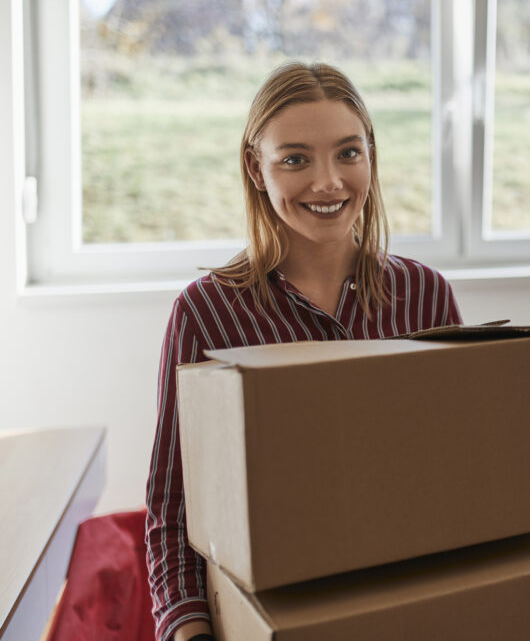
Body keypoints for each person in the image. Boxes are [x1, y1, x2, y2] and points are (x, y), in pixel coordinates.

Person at [145, 62, 462, 641]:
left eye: (348, 153)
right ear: (255, 167)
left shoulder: (425, 297)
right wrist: (190, 632)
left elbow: (464, 476)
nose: (328, 183)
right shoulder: (206, 314)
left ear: (371, 155)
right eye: (295, 159)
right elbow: (172, 512)